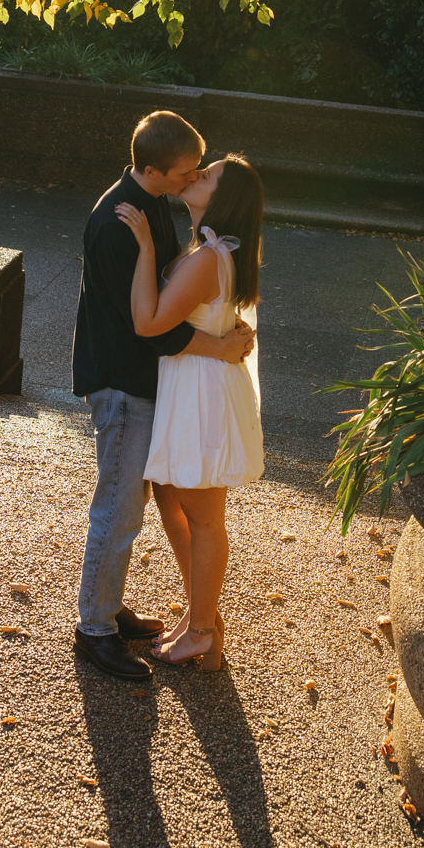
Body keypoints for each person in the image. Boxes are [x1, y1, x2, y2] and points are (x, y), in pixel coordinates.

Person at [72, 110, 256, 683]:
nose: (193, 176)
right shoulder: (118, 221)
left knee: (157, 505)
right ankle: (95, 629)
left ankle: (118, 611)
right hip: (125, 381)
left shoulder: (156, 205)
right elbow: (142, 323)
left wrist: (223, 340)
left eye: (202, 172)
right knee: (122, 507)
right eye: (188, 171)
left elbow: (165, 303)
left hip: (162, 384)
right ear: (154, 170)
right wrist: (220, 344)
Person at [115, 154, 265, 672]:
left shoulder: (208, 257)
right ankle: (201, 615)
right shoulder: (209, 251)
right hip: (190, 385)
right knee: (172, 501)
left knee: (203, 519)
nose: (199, 174)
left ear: (227, 199)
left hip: (199, 394)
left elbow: (151, 321)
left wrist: (145, 249)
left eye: (211, 174)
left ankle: (203, 628)